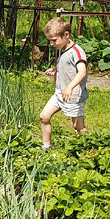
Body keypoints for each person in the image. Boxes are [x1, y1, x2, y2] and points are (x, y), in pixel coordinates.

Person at [39, 17, 88, 149]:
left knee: (78, 126)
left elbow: (82, 72)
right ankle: (46, 147)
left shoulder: (77, 52)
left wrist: (69, 88)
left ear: (66, 35)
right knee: (44, 117)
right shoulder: (62, 48)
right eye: (50, 40)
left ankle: (90, 149)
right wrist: (55, 70)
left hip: (73, 95)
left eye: (54, 40)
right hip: (59, 93)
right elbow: (67, 66)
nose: (51, 44)